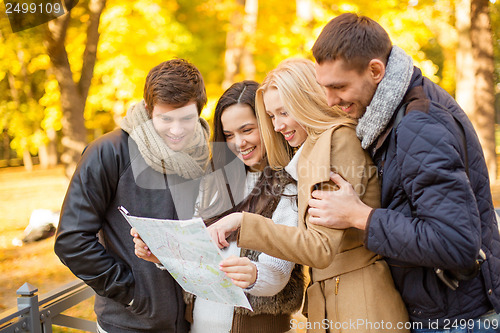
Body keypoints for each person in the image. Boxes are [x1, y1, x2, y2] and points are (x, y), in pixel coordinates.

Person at [307, 13, 500, 332]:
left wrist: (361, 217)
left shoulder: (418, 125)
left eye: (339, 87)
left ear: (375, 70)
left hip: (457, 320)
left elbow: (456, 243)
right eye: (324, 88)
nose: (330, 100)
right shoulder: (397, 112)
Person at [208, 58, 409, 332]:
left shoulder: (338, 140)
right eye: (271, 116)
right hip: (329, 300)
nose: (277, 125)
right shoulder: (312, 150)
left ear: (306, 101)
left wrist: (244, 223)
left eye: (284, 112)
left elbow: (319, 247)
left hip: (360, 302)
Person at [132, 80, 305, 333]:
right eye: (229, 135)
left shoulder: (289, 186)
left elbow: (279, 272)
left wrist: (255, 275)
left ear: (268, 124)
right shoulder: (212, 182)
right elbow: (195, 256)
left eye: (247, 130)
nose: (239, 143)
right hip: (199, 325)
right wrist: (161, 255)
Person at [54, 59, 211, 333]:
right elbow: (72, 240)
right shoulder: (107, 152)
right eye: (165, 119)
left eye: (186, 118)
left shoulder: (201, 156)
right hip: (128, 324)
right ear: (149, 109)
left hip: (190, 322)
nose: (176, 130)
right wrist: (132, 293)